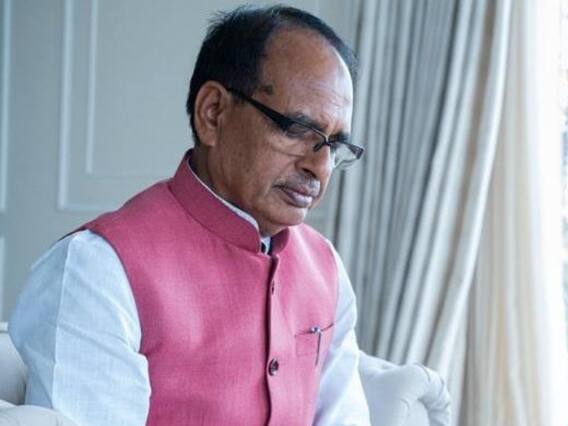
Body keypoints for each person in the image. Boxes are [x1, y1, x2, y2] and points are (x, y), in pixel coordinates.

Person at [9, 5, 370, 425]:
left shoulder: (325, 268)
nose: (320, 168)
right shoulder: (95, 271)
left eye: (334, 145)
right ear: (212, 112)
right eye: (297, 129)